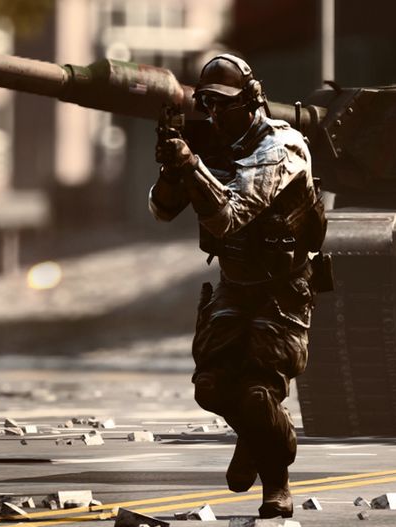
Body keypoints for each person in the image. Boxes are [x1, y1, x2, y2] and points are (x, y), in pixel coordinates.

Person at [149, 53, 327, 518]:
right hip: (234, 281)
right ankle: (256, 434)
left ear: (251, 101)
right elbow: (162, 210)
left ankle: (277, 482)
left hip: (282, 288)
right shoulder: (211, 142)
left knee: (257, 393)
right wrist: (172, 168)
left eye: (224, 104)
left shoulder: (281, 147)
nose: (215, 114)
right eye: (208, 104)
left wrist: (192, 166)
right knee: (209, 386)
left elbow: (229, 216)